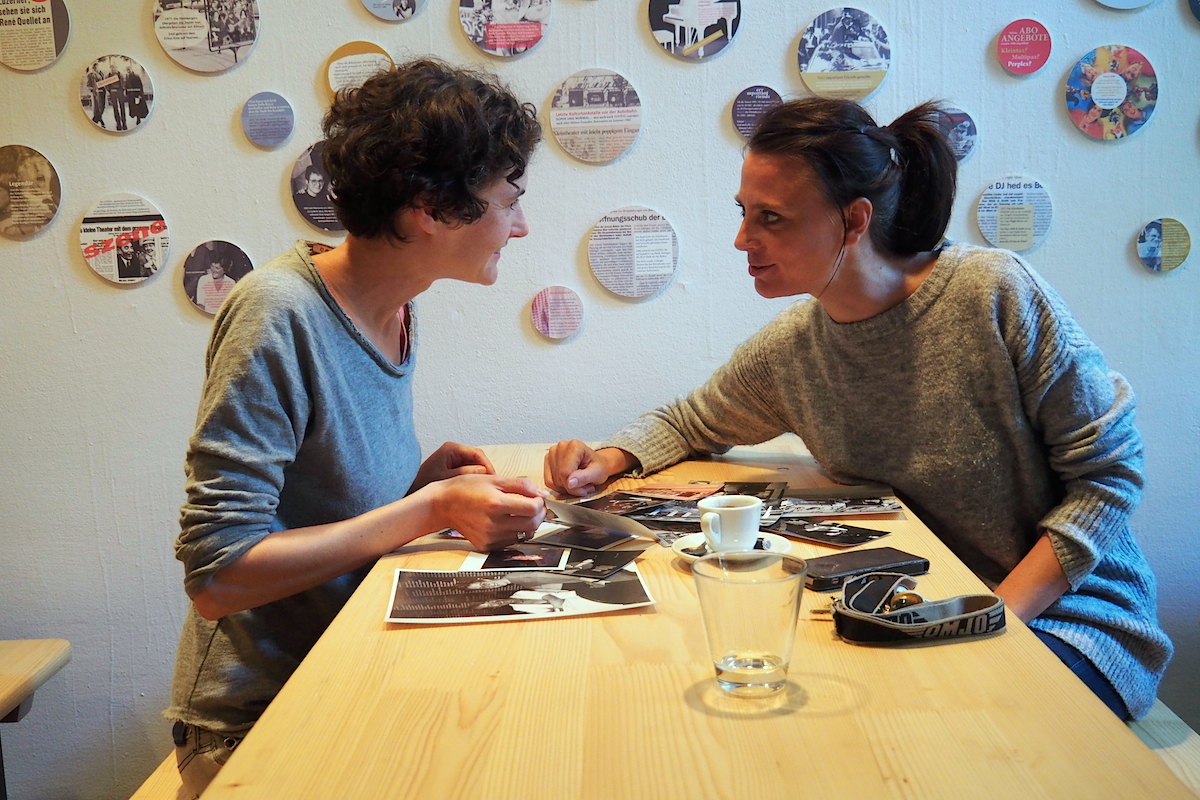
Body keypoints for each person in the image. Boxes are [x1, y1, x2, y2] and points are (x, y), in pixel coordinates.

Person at [544, 97, 1172, 722]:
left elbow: (1110, 477)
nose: (742, 239)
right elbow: (688, 420)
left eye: (771, 218)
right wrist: (606, 458)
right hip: (914, 610)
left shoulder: (992, 294)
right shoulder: (794, 348)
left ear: (854, 220)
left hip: (1068, 622)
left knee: (919, 733)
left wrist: (993, 612)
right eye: (742, 212)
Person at [164, 58, 544, 797]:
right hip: (256, 718)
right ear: (427, 209)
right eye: (508, 200)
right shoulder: (278, 313)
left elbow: (321, 510)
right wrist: (425, 510)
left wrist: (419, 481)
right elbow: (217, 575)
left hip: (347, 664)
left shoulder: (398, 305)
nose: (521, 226)